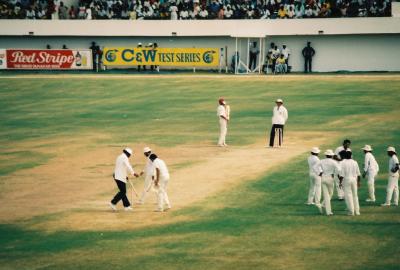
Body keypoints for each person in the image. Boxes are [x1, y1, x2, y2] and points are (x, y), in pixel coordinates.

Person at [315, 149, 340, 215]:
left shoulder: (322, 161)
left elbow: (315, 167)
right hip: (330, 178)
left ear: (326, 155)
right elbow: (339, 169)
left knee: (327, 195)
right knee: (330, 194)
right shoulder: (334, 162)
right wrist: (334, 174)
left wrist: (319, 173)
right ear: (331, 156)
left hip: (323, 177)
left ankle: (322, 205)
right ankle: (328, 211)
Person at [339, 150, 361, 216]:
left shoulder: (343, 162)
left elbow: (342, 175)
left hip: (346, 180)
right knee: (355, 195)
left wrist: (340, 182)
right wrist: (358, 182)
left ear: (345, 156)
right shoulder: (355, 162)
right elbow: (358, 174)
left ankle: (351, 212)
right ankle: (357, 211)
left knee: (348, 196)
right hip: (354, 179)